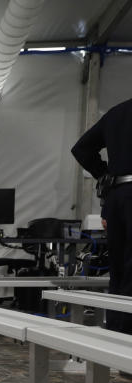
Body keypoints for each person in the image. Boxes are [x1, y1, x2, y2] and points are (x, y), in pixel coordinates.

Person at [72, 97, 132, 333]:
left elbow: (81, 148)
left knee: (117, 270)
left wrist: (105, 175)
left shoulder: (117, 111)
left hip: (116, 197)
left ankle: (117, 336)